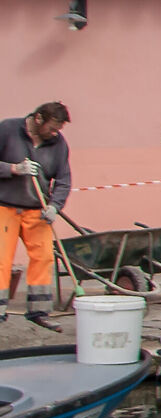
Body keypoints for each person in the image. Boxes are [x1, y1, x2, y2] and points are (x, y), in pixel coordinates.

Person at [0, 102, 73, 330]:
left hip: (37, 210)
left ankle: (39, 312)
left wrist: (54, 207)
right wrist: (12, 169)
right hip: (5, 206)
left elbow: (63, 180)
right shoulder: (7, 130)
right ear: (39, 118)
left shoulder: (59, 144)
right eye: (53, 128)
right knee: (1, 261)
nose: (56, 133)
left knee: (43, 258)